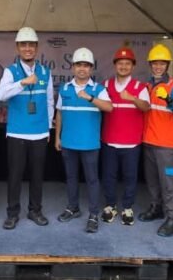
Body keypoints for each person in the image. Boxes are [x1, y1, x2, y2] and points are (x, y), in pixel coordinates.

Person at [0, 27, 54, 229]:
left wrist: (48, 127)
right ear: (18, 47)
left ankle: (35, 210)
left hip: (39, 132)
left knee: (37, 176)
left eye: (31, 45)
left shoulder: (45, 71)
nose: (27, 48)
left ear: (36, 48)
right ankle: (12, 213)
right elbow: (1, 95)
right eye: (24, 45)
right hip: (17, 132)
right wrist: (22, 82)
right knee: (15, 175)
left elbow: (49, 101)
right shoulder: (10, 71)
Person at [55, 48, 113, 233]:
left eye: (86, 65)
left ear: (91, 68)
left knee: (92, 180)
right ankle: (73, 208)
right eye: (79, 65)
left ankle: (93, 214)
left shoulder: (98, 89)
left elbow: (109, 108)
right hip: (68, 142)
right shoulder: (65, 88)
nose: (82, 68)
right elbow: (59, 113)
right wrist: (57, 137)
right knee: (71, 178)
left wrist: (90, 98)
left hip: (89, 143)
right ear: (73, 67)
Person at [100, 47, 150, 226]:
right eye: (120, 63)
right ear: (115, 65)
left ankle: (127, 207)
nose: (123, 66)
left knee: (130, 177)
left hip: (131, 143)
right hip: (109, 140)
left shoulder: (139, 87)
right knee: (109, 176)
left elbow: (146, 107)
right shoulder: (105, 85)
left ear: (133, 66)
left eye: (127, 63)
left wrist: (132, 98)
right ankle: (110, 205)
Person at [140, 44, 173, 237]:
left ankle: (172, 218)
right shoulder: (147, 86)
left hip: (166, 144)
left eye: (162, 63)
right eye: (155, 63)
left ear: (167, 65)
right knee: (152, 180)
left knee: (170, 182)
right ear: (150, 65)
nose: (158, 67)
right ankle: (156, 208)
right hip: (149, 141)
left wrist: (169, 99)